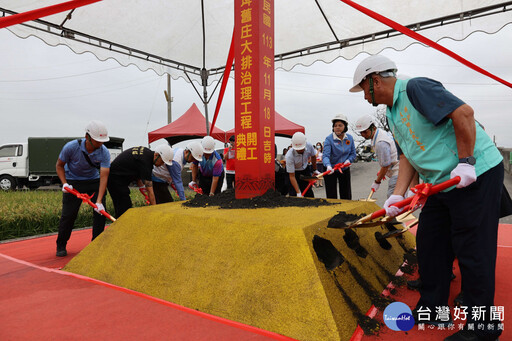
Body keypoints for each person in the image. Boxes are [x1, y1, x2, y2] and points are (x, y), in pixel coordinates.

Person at [350, 54, 506, 341]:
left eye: (363, 90)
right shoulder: (392, 113)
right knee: (431, 240)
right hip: (442, 183)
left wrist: (467, 161)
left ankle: (483, 328)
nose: (364, 98)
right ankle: (433, 306)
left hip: (474, 174)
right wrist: (398, 196)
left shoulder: (415, 89)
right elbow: (407, 154)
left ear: (374, 80)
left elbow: (465, 114)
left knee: (472, 248)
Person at [55, 120, 111, 257]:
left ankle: (96, 244)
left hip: (93, 181)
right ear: (87, 137)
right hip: (73, 181)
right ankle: (61, 245)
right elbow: (59, 165)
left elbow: (104, 177)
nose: (100, 144)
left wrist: (99, 202)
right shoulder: (71, 147)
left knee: (100, 213)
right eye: (97, 141)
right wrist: (64, 183)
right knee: (69, 215)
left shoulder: (104, 152)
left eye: (102, 141)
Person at [107, 144, 173, 218]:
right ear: (157, 155)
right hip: (115, 179)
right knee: (124, 208)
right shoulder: (146, 162)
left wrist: (141, 187)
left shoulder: (146, 153)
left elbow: (136, 168)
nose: (162, 164)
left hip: (117, 178)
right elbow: (150, 191)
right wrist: (155, 210)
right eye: (162, 161)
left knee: (123, 207)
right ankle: (121, 227)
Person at [354, 114, 399, 198]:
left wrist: (377, 181)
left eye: (365, 131)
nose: (363, 134)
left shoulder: (381, 142)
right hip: (396, 168)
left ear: (373, 127)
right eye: (361, 132)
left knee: (393, 198)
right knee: (398, 199)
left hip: (398, 170)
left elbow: (386, 165)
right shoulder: (378, 134)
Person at [322, 114, 357, 199]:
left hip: (344, 168)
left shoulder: (350, 138)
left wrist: (349, 161)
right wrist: (328, 165)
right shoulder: (329, 139)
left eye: (340, 125)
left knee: (346, 193)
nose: (337, 127)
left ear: (345, 127)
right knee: (331, 194)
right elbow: (325, 155)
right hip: (331, 169)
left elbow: (353, 153)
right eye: (335, 126)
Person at [285, 132, 318, 198]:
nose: (300, 150)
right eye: (298, 149)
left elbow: (313, 156)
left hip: (304, 169)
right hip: (293, 172)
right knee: (293, 193)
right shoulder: (289, 156)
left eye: (301, 148)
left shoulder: (309, 146)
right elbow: (292, 176)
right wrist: (298, 193)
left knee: (308, 191)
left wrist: (314, 169)